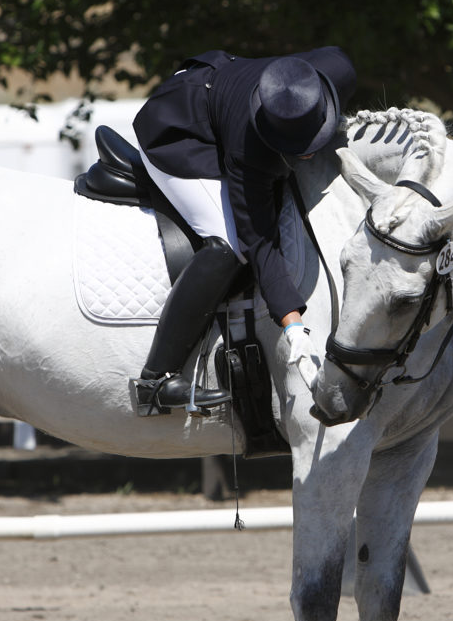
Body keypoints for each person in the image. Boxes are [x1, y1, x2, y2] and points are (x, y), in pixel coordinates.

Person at [132, 46, 356, 413]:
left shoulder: (336, 69)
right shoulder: (248, 154)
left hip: (217, 82)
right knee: (228, 245)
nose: (310, 154)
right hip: (175, 129)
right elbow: (259, 239)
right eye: (300, 149)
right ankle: (157, 379)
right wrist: (292, 323)